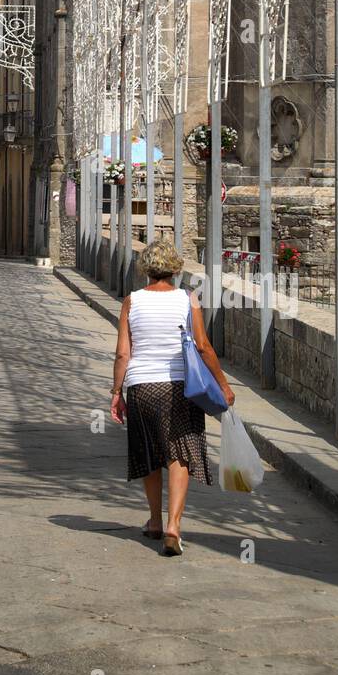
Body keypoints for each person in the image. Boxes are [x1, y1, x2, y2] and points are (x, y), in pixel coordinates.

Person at [109, 238, 234, 556]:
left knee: (149, 452)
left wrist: (116, 392)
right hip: (179, 387)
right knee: (179, 454)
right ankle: (173, 527)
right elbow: (203, 347)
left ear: (145, 269)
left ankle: (153, 520)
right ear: (175, 269)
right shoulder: (187, 299)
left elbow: (124, 353)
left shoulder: (132, 301)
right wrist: (224, 385)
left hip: (141, 387)